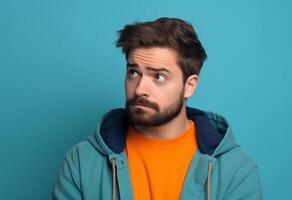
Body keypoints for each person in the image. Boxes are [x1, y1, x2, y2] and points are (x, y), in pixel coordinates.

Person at [52, 17, 263, 200]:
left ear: (189, 85)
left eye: (159, 77)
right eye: (133, 72)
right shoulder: (81, 161)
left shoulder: (235, 169)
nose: (140, 89)